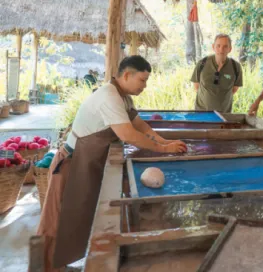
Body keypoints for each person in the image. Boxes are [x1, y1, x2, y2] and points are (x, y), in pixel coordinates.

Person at [37, 56, 187, 271]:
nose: (145, 86)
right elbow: (129, 135)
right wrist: (164, 149)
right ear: (126, 75)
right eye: (142, 80)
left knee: (79, 219)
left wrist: (166, 142)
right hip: (71, 165)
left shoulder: (124, 97)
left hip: (87, 163)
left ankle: (64, 264)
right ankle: (44, 268)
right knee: (58, 222)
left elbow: (140, 126)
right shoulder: (109, 96)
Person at [191, 34, 243, 113]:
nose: (221, 49)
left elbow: (234, 89)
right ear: (213, 47)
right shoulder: (202, 63)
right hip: (201, 114)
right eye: (218, 46)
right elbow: (196, 86)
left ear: (230, 49)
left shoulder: (235, 66)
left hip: (224, 114)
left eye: (225, 46)